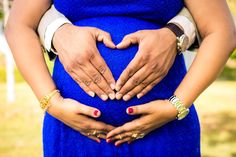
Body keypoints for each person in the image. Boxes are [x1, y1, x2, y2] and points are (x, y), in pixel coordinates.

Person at [5, 0, 236, 157]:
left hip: (164, 131)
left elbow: (221, 31)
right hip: (74, 132)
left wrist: (175, 106)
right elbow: (19, 24)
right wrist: (52, 103)